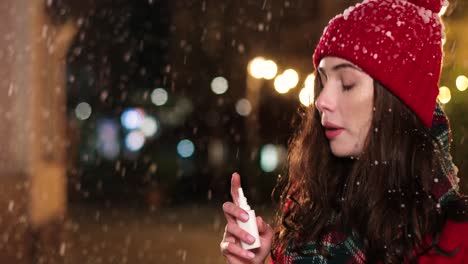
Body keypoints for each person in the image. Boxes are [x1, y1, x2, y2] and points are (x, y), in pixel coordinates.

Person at [220, 0, 468, 263]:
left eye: (347, 83)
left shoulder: (457, 239)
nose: (321, 101)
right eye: (323, 82)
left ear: (396, 105)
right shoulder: (309, 211)